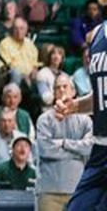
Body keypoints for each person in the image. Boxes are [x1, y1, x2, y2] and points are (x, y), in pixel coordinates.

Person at [36, 75, 93, 211]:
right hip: (49, 192)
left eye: (65, 86)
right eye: (57, 87)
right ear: (54, 92)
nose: (61, 90)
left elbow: (89, 148)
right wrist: (76, 152)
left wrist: (63, 143)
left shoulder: (86, 120)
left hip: (77, 190)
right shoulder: (44, 120)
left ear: (73, 91)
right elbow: (45, 150)